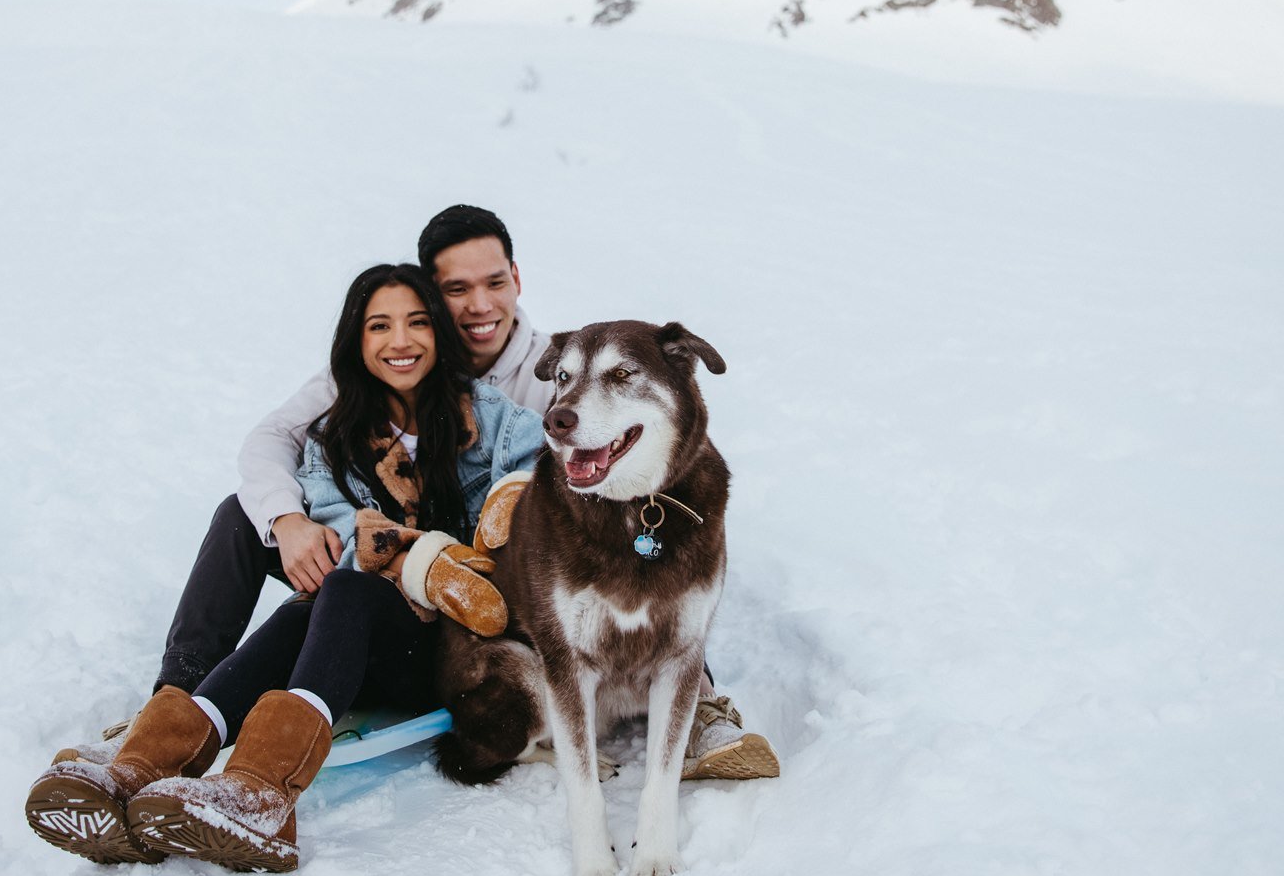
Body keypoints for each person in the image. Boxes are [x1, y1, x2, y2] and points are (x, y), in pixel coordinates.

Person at [44, 205, 775, 777]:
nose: (479, 304)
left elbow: (644, 501)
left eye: (494, 282)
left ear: (517, 280)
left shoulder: (553, 374)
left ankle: (701, 704)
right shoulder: (393, 358)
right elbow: (270, 442)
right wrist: (294, 523)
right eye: (455, 289)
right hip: (372, 561)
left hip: (472, 602)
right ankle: (173, 709)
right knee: (242, 518)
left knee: (626, 541)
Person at [26, 262, 544, 871]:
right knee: (315, 604)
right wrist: (341, 540)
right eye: (379, 326)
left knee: (346, 591)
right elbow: (326, 516)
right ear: (356, 340)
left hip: (449, 647)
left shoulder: (495, 419)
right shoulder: (337, 434)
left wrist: (466, 536)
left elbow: (535, 495)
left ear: (441, 333)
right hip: (358, 633)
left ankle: (263, 792)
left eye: (417, 323)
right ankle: (143, 767)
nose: (399, 341)